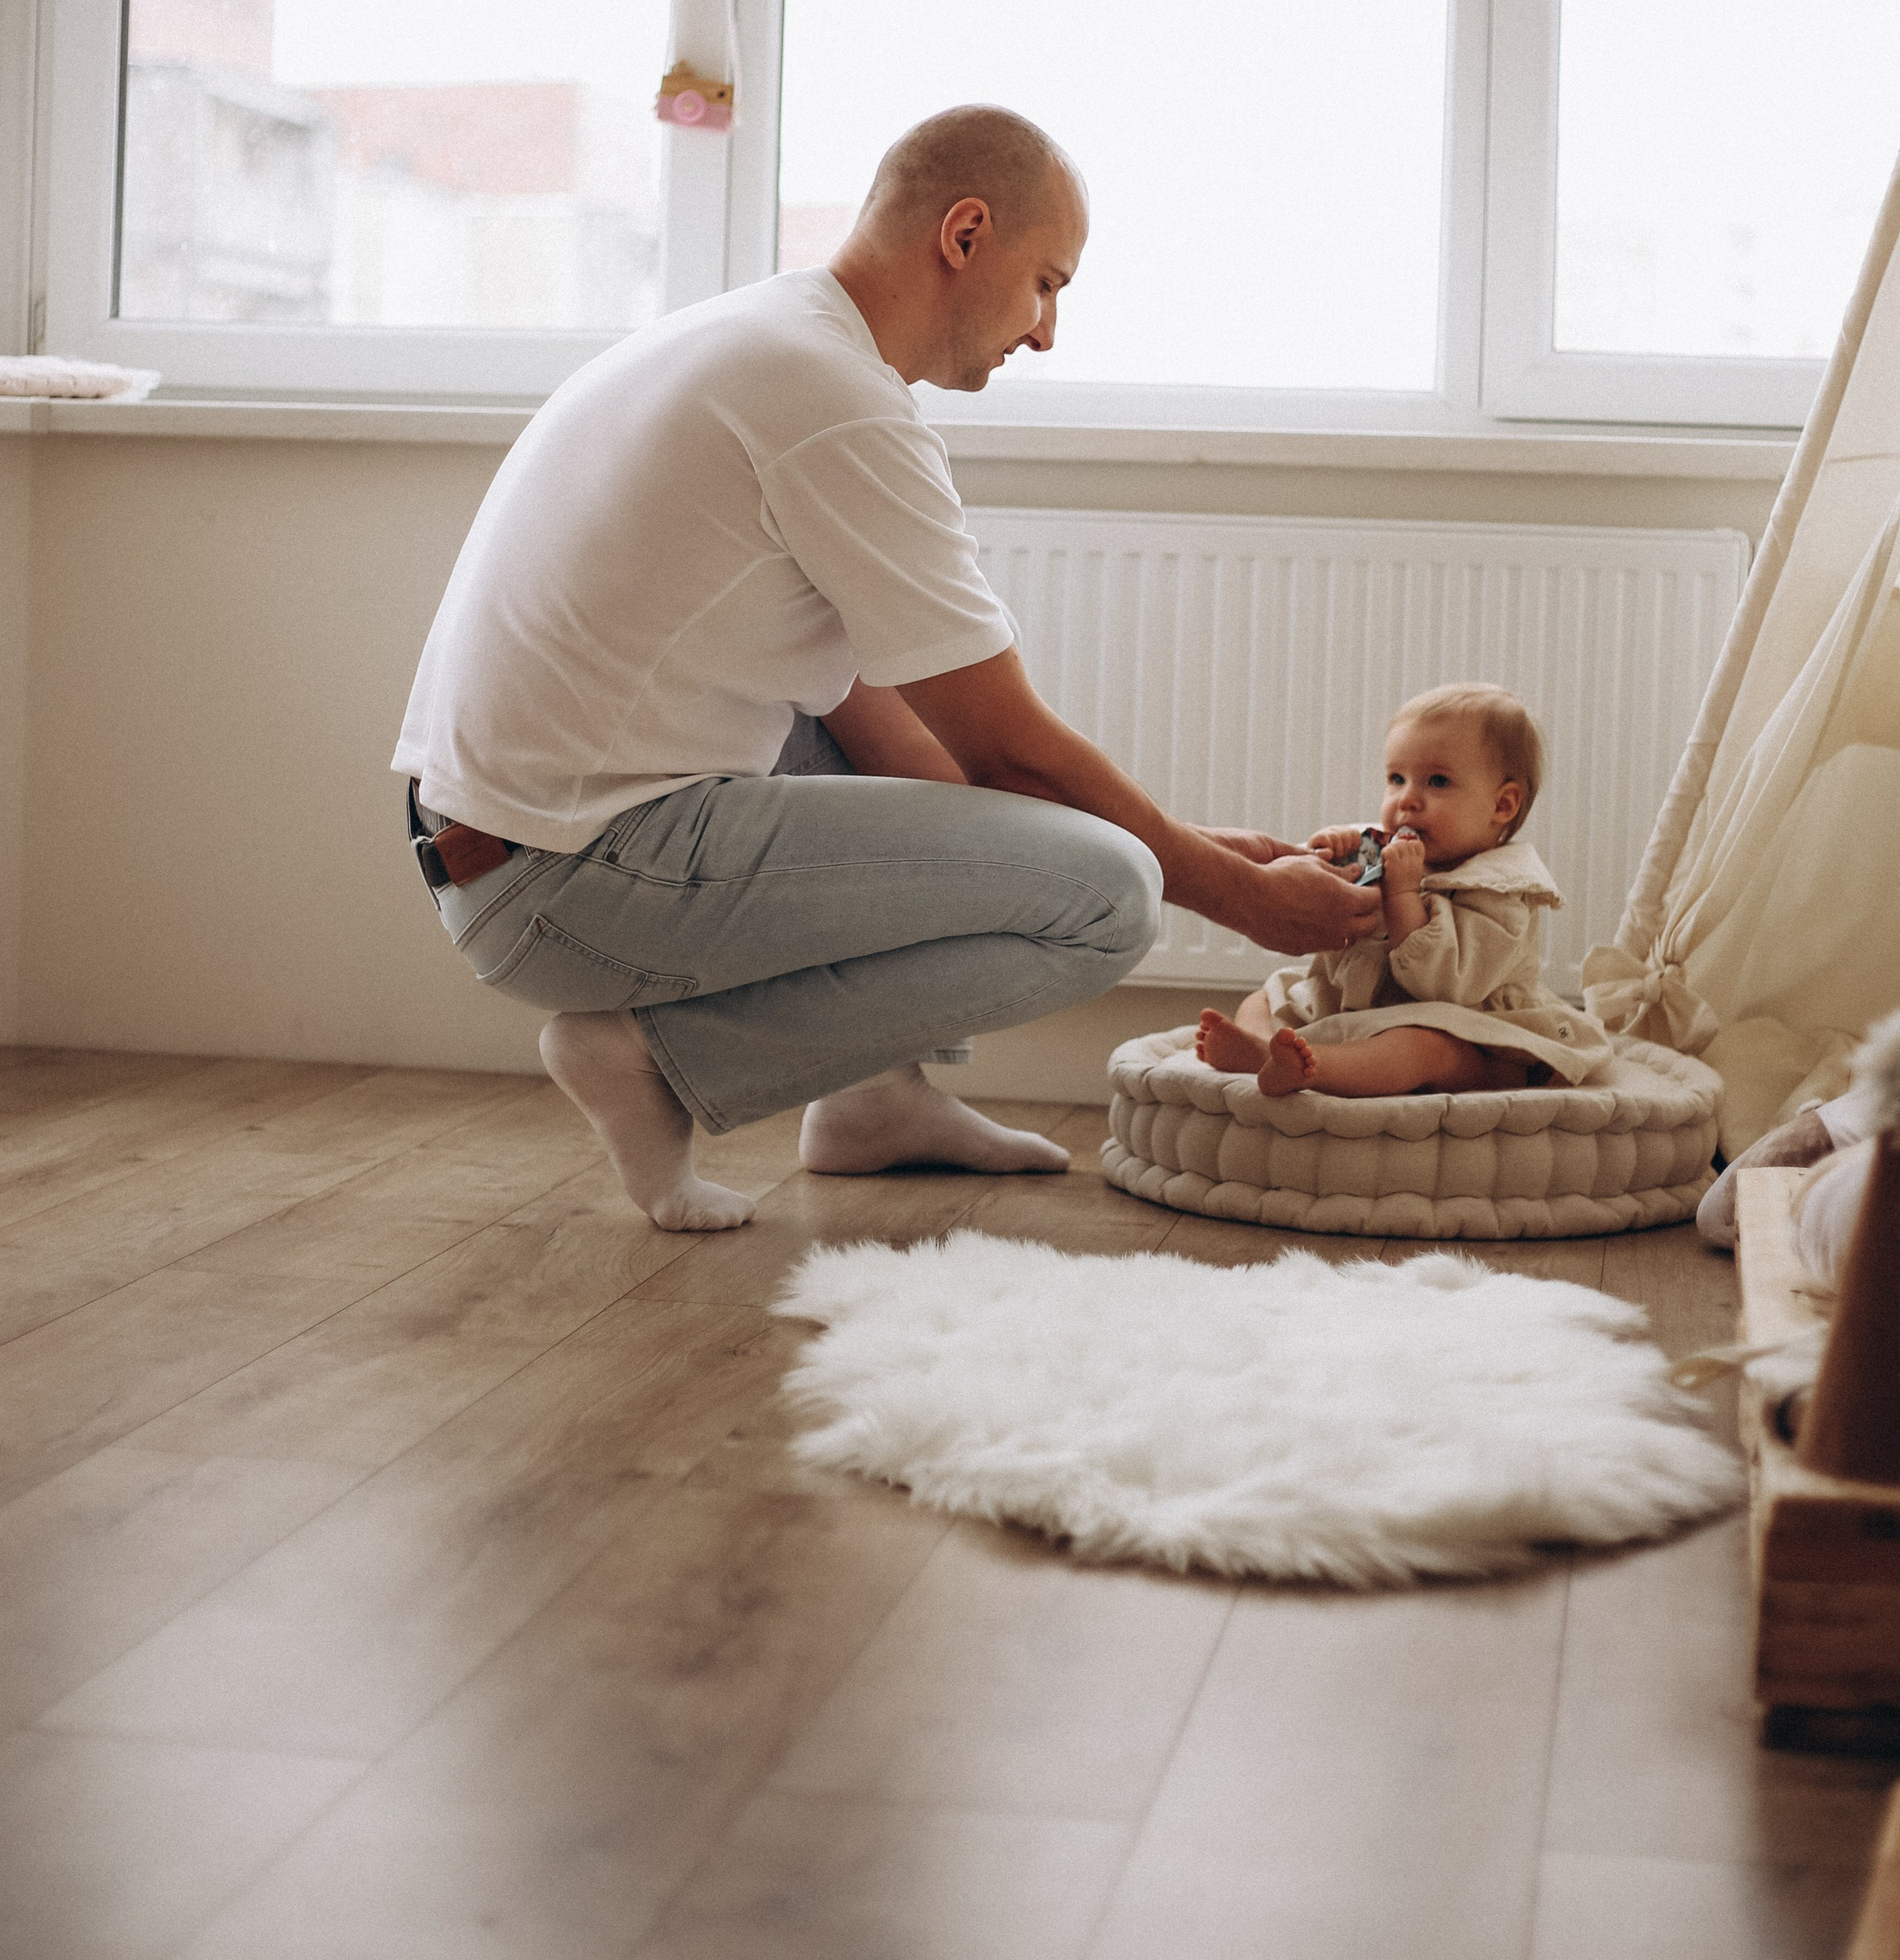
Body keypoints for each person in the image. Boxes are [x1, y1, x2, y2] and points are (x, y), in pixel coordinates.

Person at [395, 104, 1383, 1230]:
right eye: (1047, 283)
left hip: (507, 848)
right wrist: (1231, 892)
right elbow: (1012, 750)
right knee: (1109, 901)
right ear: (965, 235)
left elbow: (902, 746)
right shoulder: (833, 403)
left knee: (1024, 827)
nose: (1048, 331)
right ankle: (654, 1061)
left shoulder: (775, 341)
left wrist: (1191, 845)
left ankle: (873, 1102)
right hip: (560, 880)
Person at [1194, 682, 1610, 1099]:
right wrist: (1331, 854)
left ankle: (1315, 1069)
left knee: (1419, 1048)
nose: (1407, 799)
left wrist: (1403, 897)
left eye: (1438, 781)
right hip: (1369, 1007)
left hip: (1470, 1038)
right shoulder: (1390, 851)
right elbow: (1325, 906)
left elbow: (1446, 986)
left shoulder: (1503, 890)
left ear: (1501, 805)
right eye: (1397, 778)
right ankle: (1257, 1047)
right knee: (1266, 996)